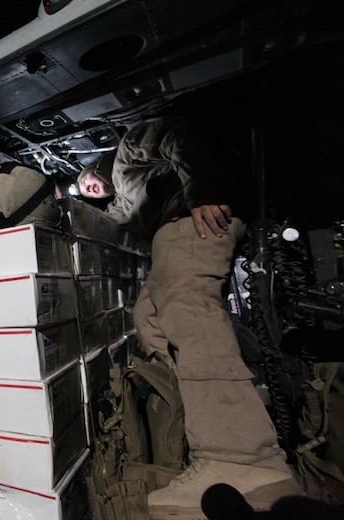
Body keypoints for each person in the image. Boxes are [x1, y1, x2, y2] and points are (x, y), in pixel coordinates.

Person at [79, 116, 302, 519]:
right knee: (149, 322)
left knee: (187, 310)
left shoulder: (127, 156)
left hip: (194, 219)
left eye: (88, 179)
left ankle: (240, 459)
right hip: (168, 241)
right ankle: (201, 430)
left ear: (98, 166)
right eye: (86, 191)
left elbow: (178, 135)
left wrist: (205, 192)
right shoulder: (121, 204)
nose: (89, 187)